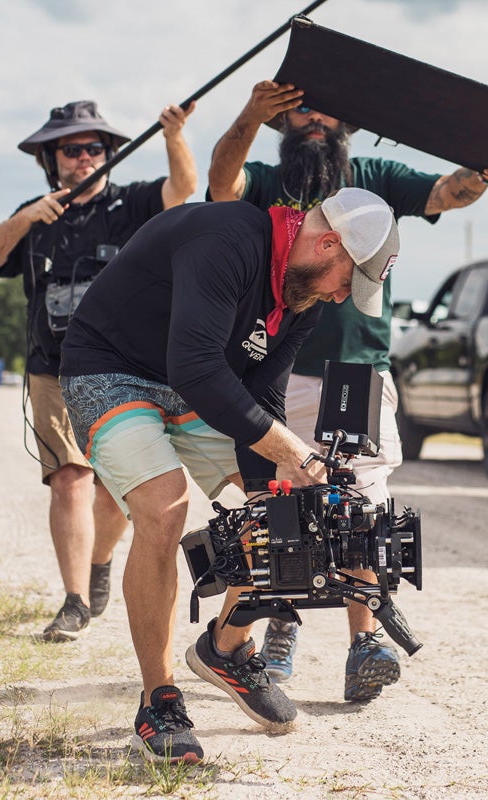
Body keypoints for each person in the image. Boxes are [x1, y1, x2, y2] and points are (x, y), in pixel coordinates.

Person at [59, 187, 400, 763]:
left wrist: (285, 482)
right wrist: (295, 450)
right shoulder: (227, 239)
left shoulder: (302, 296)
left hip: (191, 385)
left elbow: (263, 393)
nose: (343, 297)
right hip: (111, 369)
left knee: (290, 507)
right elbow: (195, 367)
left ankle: (227, 647)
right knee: (165, 507)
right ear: (327, 242)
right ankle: (159, 700)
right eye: (347, 279)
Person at [207, 79, 488, 701]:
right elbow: (220, 185)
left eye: (323, 105)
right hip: (273, 366)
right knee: (274, 501)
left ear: (347, 117)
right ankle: (275, 622)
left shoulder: (374, 173)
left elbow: (447, 192)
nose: (313, 116)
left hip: (357, 365)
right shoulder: (267, 179)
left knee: (362, 499)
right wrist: (247, 114)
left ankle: (365, 642)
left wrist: (481, 172)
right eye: (297, 108)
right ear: (282, 119)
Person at [0, 99, 196, 641]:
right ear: (50, 159)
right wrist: (28, 216)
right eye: (69, 149)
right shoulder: (36, 212)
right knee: (70, 479)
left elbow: (183, 189)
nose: (81, 158)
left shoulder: (132, 203)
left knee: (114, 488)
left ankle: (99, 563)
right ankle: (75, 601)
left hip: (126, 370)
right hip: (52, 369)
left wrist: (173, 136)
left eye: (92, 148)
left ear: (109, 154)